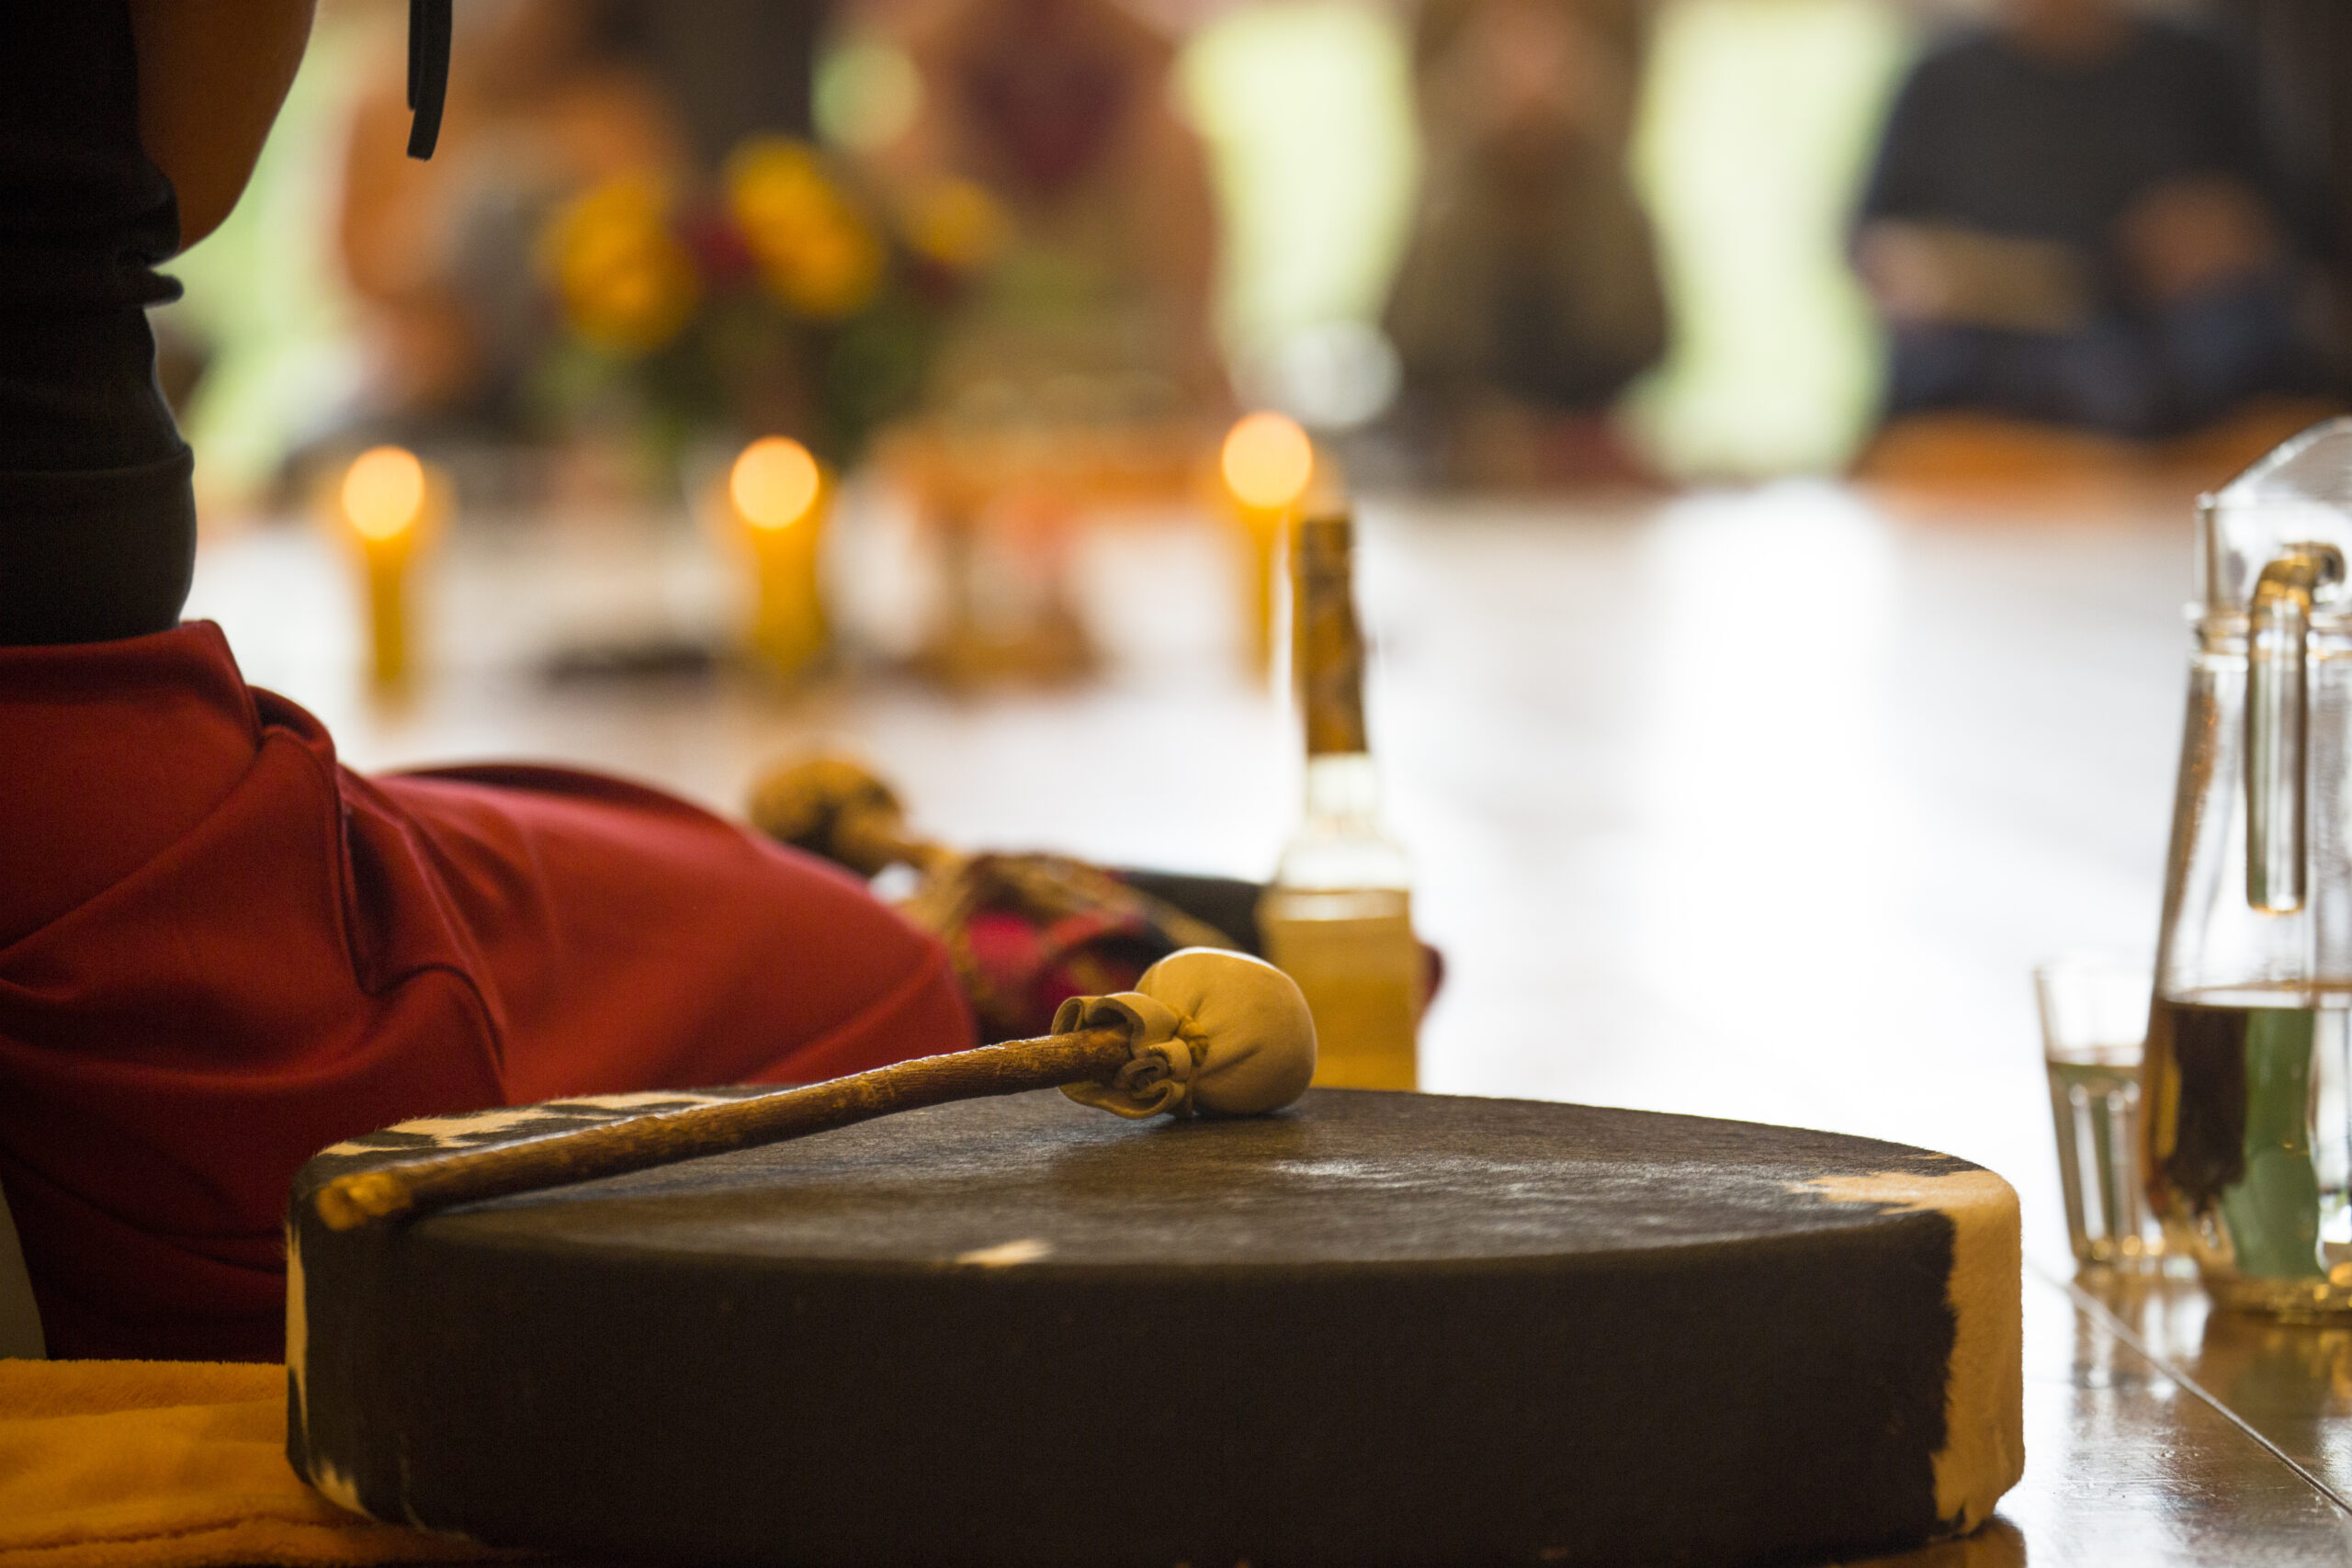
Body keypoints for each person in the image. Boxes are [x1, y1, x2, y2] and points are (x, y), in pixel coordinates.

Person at [0, 2, 973, 1361]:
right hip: (71, 797)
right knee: (860, 975)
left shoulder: (614, 114)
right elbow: (191, 169)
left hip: (92, 712)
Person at [1853, 0, 2317, 438]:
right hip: (1994, 357)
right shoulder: (1940, 81)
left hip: (2175, 349)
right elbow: (1871, 241)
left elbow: (2296, 221)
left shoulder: (2197, 67)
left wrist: (2230, 230)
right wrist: (1916, 269)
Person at [1382, 0, 1667, 483]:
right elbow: (1423, 110)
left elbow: (1631, 109)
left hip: (1584, 192)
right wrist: (1485, 86)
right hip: (1473, 186)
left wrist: (1568, 84)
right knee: (1453, 210)